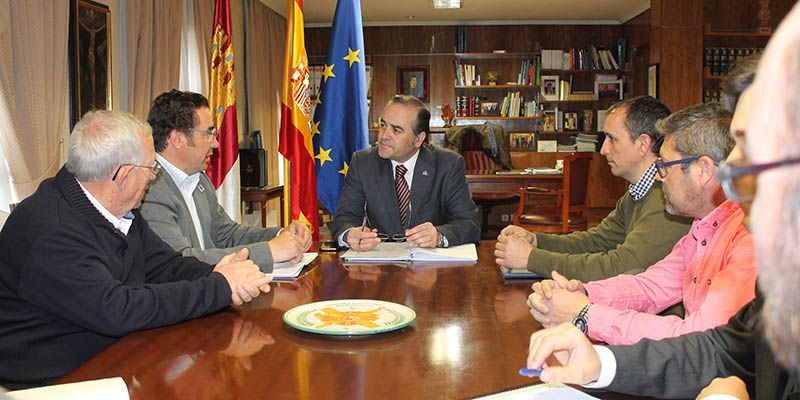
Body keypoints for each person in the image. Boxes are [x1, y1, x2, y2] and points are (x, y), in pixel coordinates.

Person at [524, 8, 800, 398]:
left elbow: (704, 339)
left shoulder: (755, 246)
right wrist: (592, 333)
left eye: (751, 144)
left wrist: (585, 314)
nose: (733, 166)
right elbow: (718, 347)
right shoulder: (775, 264)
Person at [0, 110, 272, 389]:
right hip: (59, 383)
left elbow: (165, 266)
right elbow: (116, 310)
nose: (155, 177)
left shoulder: (119, 210)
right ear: (124, 174)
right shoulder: (51, 230)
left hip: (117, 358)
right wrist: (220, 286)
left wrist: (222, 274)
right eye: (152, 168)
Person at [527, 102, 757, 345]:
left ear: (703, 171)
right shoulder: (701, 228)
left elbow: (701, 338)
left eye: (665, 166)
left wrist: (586, 314)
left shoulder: (748, 238)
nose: (658, 176)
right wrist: (584, 293)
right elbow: (649, 286)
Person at [496, 96, 692, 282]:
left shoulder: (668, 198)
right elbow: (596, 241)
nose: (603, 150)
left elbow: (620, 268)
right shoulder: (639, 191)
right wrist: (536, 240)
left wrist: (532, 258)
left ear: (643, 144)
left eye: (612, 139)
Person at [141, 90, 311, 273]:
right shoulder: (150, 186)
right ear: (177, 139)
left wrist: (282, 235)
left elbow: (227, 234)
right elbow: (181, 261)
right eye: (207, 134)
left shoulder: (198, 180)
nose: (215, 143)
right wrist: (269, 251)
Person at [331, 95, 480, 250]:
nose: (383, 136)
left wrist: (439, 235)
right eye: (383, 125)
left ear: (418, 139)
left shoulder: (448, 164)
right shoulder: (362, 162)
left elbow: (469, 224)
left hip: (431, 267)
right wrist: (349, 235)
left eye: (396, 130)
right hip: (380, 264)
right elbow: (344, 219)